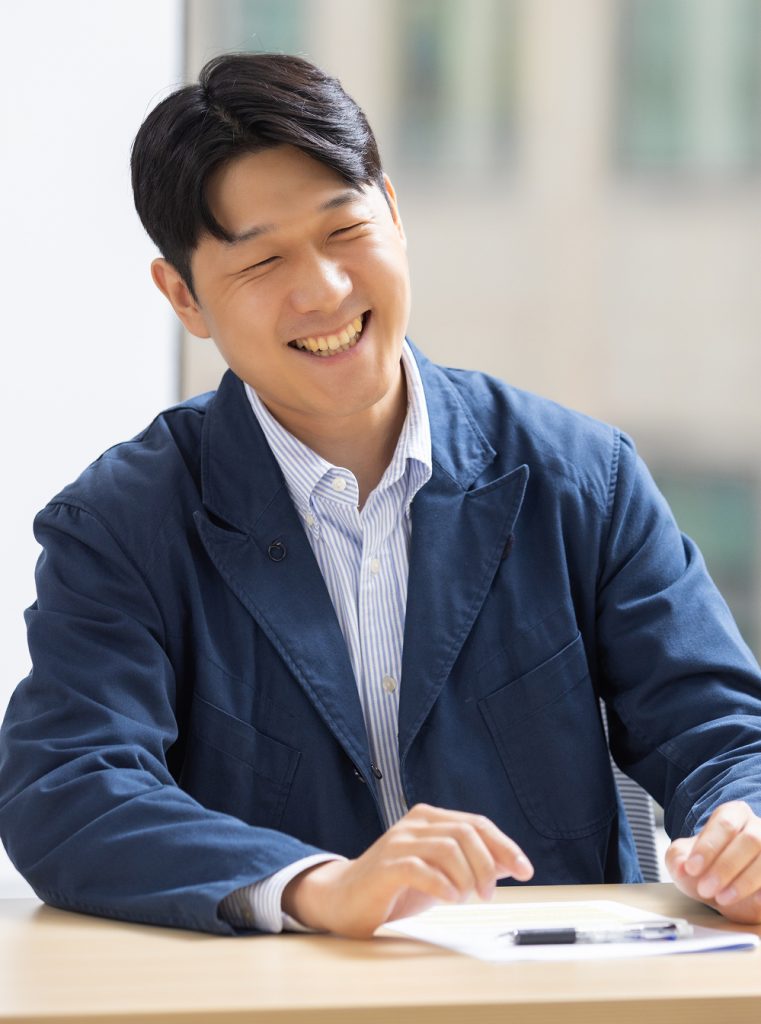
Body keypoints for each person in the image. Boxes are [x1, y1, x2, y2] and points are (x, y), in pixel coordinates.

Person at [2, 53, 761, 938]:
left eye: (342, 232)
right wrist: (313, 885)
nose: (322, 290)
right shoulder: (123, 524)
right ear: (184, 297)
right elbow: (70, 787)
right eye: (260, 263)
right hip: (277, 999)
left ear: (394, 215)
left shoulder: (579, 476)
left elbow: (721, 728)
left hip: (552, 993)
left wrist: (745, 824)